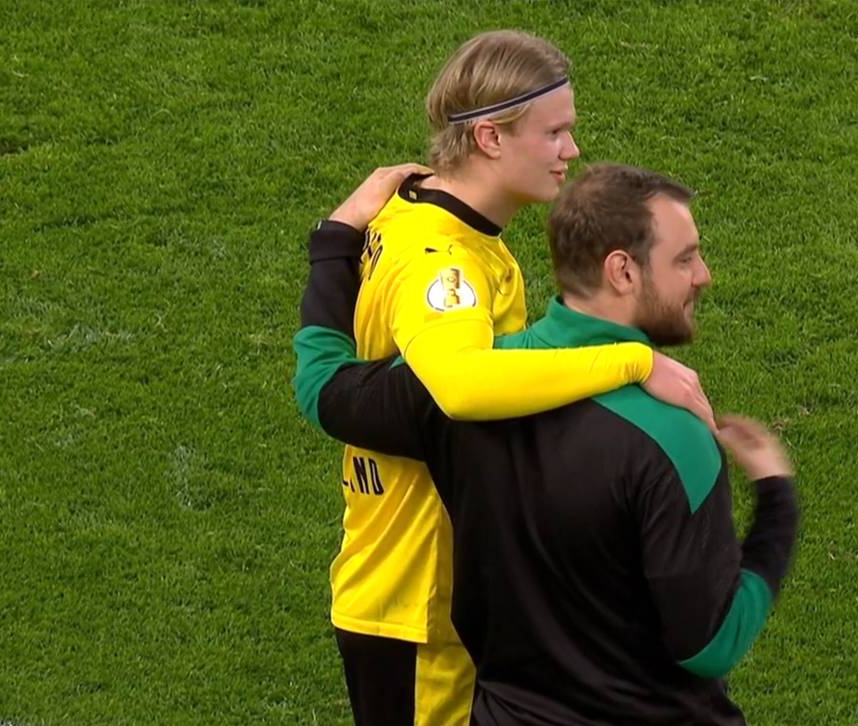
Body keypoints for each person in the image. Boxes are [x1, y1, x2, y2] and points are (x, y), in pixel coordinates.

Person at [293, 31, 714, 725]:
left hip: (430, 584)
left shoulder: (413, 209)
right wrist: (635, 361)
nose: (571, 151)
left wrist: (335, 237)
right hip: (415, 600)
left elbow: (341, 388)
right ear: (489, 137)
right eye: (554, 132)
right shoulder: (443, 265)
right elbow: (462, 386)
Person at [297, 163, 802, 724]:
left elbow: (324, 388)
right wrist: (777, 506)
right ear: (622, 272)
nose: (703, 275)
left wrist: (335, 239)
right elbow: (711, 643)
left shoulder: (451, 391)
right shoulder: (674, 437)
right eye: (684, 258)